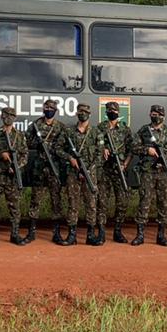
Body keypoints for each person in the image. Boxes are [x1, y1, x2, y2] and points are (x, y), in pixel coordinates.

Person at [135, 104, 167, 246]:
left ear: (163, 117)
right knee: (144, 202)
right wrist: (146, 150)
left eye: (159, 114)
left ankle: (161, 235)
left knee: (163, 203)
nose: (156, 116)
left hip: (163, 173)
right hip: (148, 171)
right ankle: (140, 235)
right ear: (150, 114)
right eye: (154, 114)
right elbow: (133, 146)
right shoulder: (144, 131)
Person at [27, 98, 68, 244]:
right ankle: (31, 232)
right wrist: (37, 142)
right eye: (47, 108)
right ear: (43, 109)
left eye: (51, 109)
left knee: (56, 199)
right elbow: (28, 142)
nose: (49, 110)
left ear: (55, 111)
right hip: (39, 166)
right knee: (35, 199)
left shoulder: (61, 127)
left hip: (54, 167)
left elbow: (64, 146)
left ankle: (56, 233)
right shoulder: (35, 125)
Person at [95, 100, 135, 243]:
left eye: (114, 111)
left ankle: (117, 231)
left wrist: (125, 164)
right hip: (105, 169)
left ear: (118, 112)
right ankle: (101, 232)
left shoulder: (125, 129)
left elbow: (131, 149)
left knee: (122, 201)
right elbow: (94, 144)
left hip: (119, 169)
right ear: (106, 112)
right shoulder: (101, 128)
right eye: (109, 110)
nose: (112, 112)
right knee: (102, 201)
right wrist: (103, 148)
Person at [0, 107, 30, 245]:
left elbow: (25, 155)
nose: (8, 118)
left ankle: (15, 234)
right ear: (1, 117)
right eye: (5, 115)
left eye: (11, 115)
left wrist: (17, 166)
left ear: (15, 118)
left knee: (15, 208)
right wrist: (0, 154)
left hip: (13, 177)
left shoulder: (19, 136)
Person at [64, 102, 101, 245]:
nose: (82, 114)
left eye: (85, 112)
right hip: (73, 173)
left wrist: (89, 169)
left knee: (91, 204)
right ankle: (72, 235)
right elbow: (58, 148)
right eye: (80, 112)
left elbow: (99, 154)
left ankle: (90, 235)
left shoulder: (95, 132)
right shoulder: (69, 131)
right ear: (76, 113)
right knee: (73, 204)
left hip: (89, 174)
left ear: (89, 114)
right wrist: (70, 158)